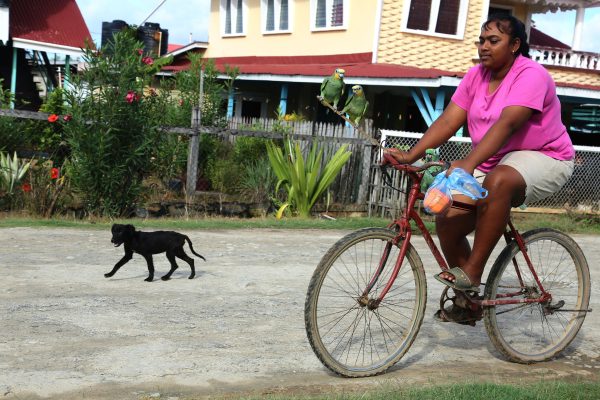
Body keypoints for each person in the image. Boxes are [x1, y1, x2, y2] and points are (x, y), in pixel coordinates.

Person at [383, 14, 575, 323]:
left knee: (499, 182)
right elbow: (448, 120)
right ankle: (468, 301)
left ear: (514, 45)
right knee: (448, 216)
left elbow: (508, 124)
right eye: (482, 40)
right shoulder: (475, 76)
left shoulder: (531, 75)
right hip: (495, 160)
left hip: (545, 156)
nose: (484, 47)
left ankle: (472, 273)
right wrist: (411, 155)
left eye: (493, 41)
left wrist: (468, 164)